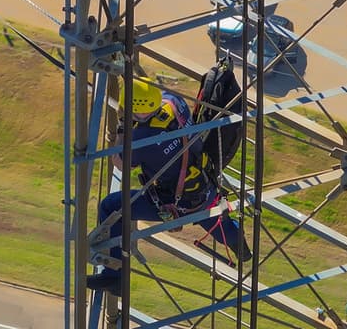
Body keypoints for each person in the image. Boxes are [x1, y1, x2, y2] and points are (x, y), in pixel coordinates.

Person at [87, 80, 250, 295]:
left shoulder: (141, 138)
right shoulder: (175, 102)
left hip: (174, 201)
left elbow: (119, 162)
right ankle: (242, 248)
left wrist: (121, 128)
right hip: (204, 186)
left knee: (112, 208)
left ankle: (114, 276)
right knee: (219, 224)